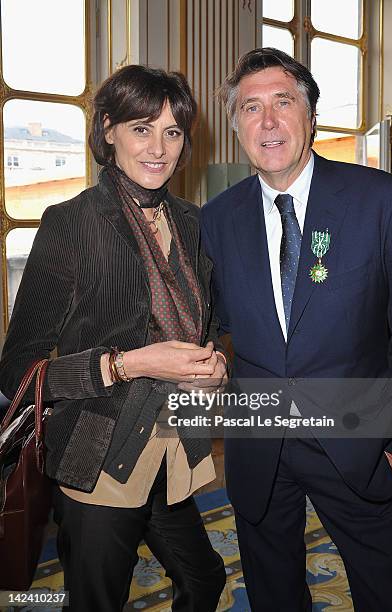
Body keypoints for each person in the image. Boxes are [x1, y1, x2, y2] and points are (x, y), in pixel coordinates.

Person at [0, 64, 227, 612]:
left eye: (172, 132)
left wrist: (215, 361)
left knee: (204, 580)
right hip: (98, 458)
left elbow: (209, 324)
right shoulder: (71, 223)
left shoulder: (193, 223)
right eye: (141, 128)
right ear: (108, 130)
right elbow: (18, 373)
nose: (159, 147)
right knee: (99, 600)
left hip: (172, 449)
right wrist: (129, 364)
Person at [200, 47, 392, 611]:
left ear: (310, 115)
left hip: (357, 443)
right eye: (249, 108)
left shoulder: (383, 201)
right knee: (272, 592)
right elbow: (209, 322)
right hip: (258, 447)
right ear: (236, 127)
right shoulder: (216, 219)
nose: (267, 121)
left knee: (387, 586)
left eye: (282, 102)